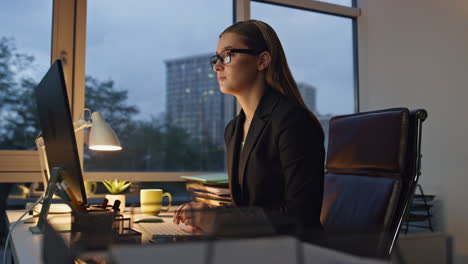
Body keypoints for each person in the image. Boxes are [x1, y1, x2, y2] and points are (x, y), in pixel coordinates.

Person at [173, 20, 325, 236]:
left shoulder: (293, 121)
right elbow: (247, 208)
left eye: (227, 55)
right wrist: (207, 215)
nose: (217, 66)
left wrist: (218, 222)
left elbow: (300, 216)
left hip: (295, 253)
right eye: (216, 58)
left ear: (262, 60)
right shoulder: (234, 129)